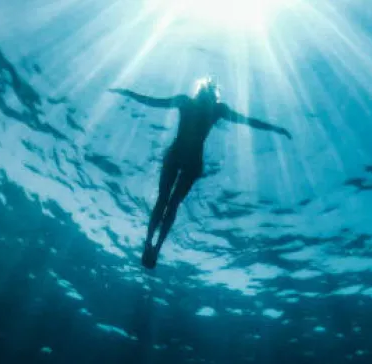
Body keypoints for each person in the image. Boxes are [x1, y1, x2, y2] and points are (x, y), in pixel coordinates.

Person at [109, 77, 291, 269]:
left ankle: (153, 245)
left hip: (184, 159)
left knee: (168, 202)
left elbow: (249, 121)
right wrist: (126, 92)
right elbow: (153, 101)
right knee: (168, 202)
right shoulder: (206, 106)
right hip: (185, 159)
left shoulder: (207, 107)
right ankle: (151, 244)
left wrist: (276, 129)